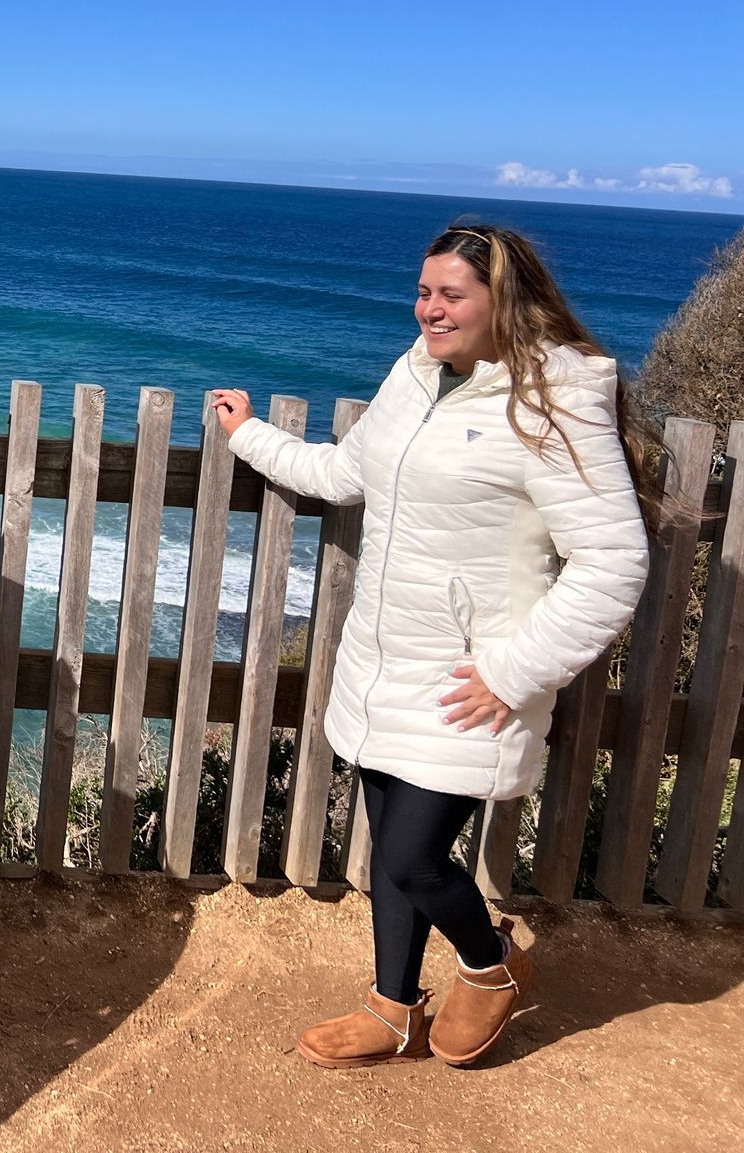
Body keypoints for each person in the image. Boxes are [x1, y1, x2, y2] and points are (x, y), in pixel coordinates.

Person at [209, 223, 652, 1069]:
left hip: (467, 679)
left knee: (414, 857)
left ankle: (489, 969)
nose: (430, 309)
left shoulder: (551, 402)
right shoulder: (415, 375)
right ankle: (392, 1008)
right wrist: (249, 435)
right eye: (423, 291)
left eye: (451, 294)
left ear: (504, 301)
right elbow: (346, 475)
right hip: (382, 661)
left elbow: (614, 561)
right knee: (389, 854)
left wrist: (514, 671)